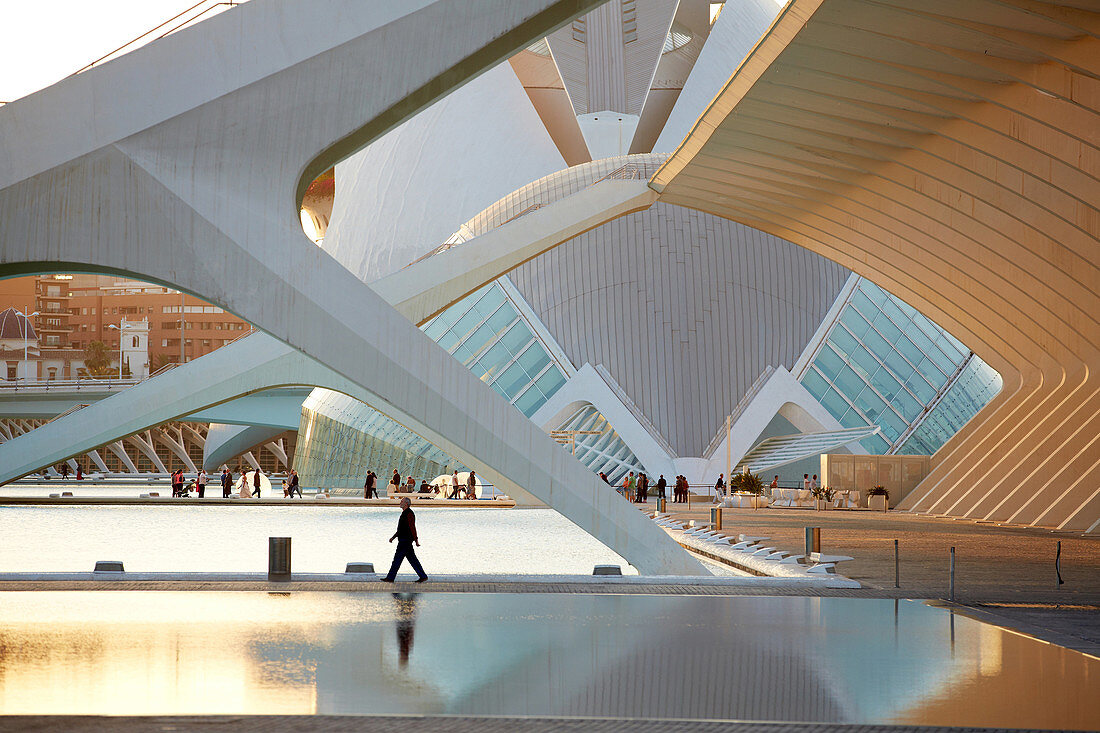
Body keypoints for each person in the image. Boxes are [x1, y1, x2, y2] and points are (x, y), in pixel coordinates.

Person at [382, 497, 428, 583]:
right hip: (404, 540)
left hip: (405, 541)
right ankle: (423, 576)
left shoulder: (409, 514)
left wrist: (416, 540)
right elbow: (401, 529)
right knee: (412, 559)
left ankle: (390, 578)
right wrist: (393, 537)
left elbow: (412, 527)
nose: (400, 502)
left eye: (402, 501)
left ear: (406, 504)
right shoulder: (405, 513)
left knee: (397, 559)